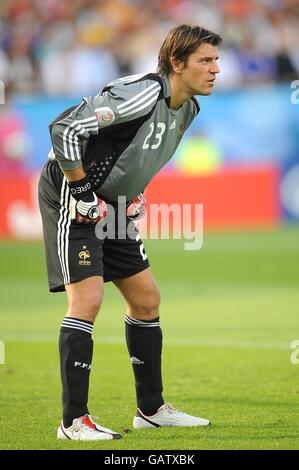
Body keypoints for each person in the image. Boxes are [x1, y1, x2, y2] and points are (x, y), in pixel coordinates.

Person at [38, 24, 221, 441]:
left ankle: (152, 410)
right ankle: (73, 422)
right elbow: (64, 129)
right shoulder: (142, 92)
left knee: (146, 298)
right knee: (87, 300)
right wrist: (83, 192)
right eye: (205, 61)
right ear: (177, 63)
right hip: (71, 189)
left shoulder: (189, 108)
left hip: (113, 203)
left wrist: (135, 193)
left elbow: (139, 153)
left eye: (216, 61)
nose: (215, 70)